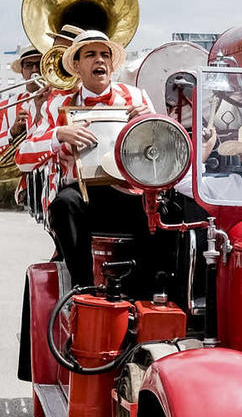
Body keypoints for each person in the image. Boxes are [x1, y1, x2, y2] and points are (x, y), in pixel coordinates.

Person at [16, 29, 156, 288]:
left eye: (105, 55)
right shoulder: (56, 105)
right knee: (63, 204)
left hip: (131, 194)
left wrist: (148, 125)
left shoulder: (137, 97)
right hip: (85, 197)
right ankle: (84, 288)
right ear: (77, 66)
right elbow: (22, 158)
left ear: (112, 65)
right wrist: (58, 135)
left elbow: (159, 153)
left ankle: (150, 293)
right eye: (90, 55)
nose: (99, 60)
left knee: (168, 212)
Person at [0, 46, 43, 173]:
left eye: (39, 64)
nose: (35, 70)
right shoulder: (8, 106)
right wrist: (11, 133)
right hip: (25, 187)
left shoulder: (60, 99)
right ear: (22, 71)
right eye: (29, 65)